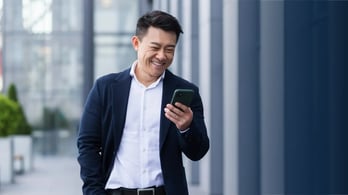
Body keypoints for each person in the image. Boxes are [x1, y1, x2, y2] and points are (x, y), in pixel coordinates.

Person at [77, 10, 210, 195]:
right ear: (136, 43)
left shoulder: (187, 92)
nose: (162, 56)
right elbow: (87, 145)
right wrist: (93, 191)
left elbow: (198, 152)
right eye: (155, 47)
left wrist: (186, 127)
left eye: (169, 49)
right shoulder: (105, 88)